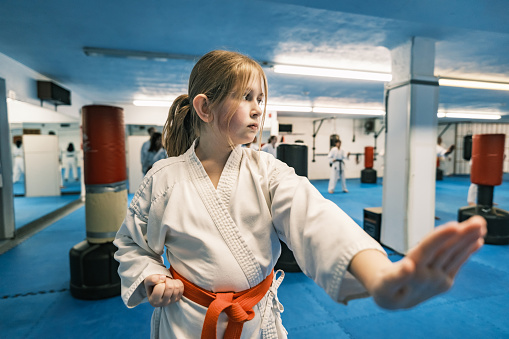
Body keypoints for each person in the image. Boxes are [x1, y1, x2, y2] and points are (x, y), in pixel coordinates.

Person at [113, 50, 486, 339]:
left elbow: (316, 219)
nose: (258, 108)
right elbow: (132, 245)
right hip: (187, 322)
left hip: (255, 320)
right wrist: (151, 276)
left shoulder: (267, 171)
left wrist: (379, 277)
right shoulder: (163, 179)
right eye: (246, 97)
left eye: (261, 97)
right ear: (204, 107)